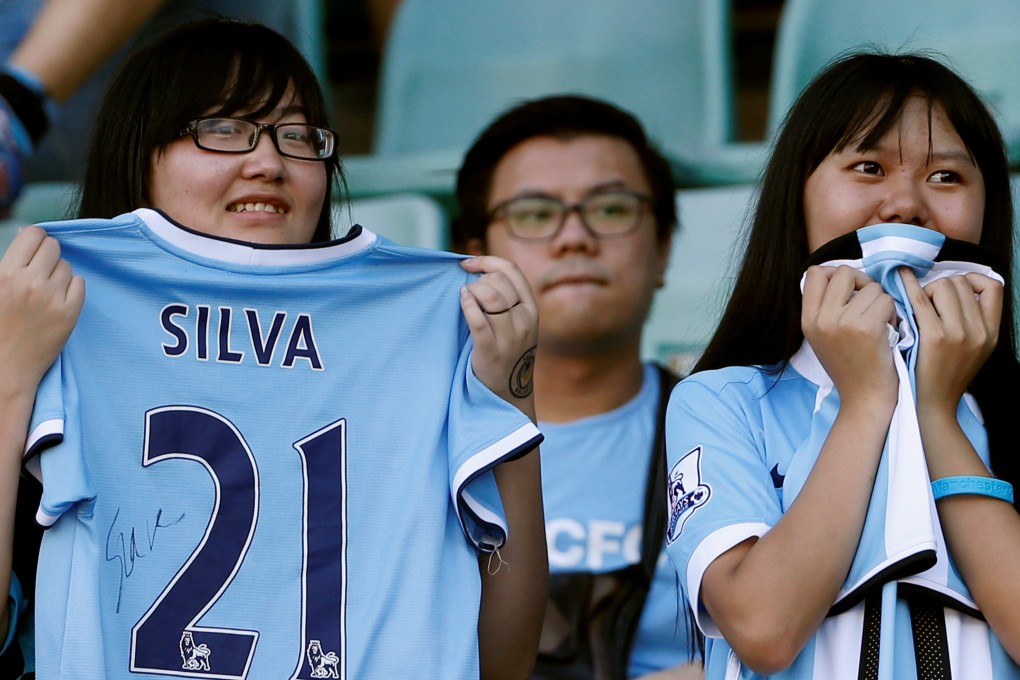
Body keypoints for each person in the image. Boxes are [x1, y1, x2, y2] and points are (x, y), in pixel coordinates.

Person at [2, 17, 547, 679]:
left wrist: (509, 400)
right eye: (223, 129)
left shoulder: (420, 320)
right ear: (138, 152)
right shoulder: (52, 308)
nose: (268, 161)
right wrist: (10, 376)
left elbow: (505, 664)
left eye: (297, 136)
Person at [664, 51, 1020, 679]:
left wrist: (937, 414)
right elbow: (764, 630)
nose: (905, 205)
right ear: (795, 202)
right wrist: (864, 403)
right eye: (868, 166)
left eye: (946, 178)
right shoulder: (720, 402)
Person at [456, 94, 703, 679]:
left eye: (612, 209)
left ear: (663, 248)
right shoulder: (416, 444)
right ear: (476, 257)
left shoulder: (730, 429)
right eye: (535, 214)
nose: (574, 238)